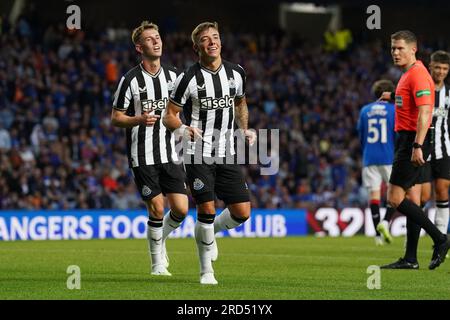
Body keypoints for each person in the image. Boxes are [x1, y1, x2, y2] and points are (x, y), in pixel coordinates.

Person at [163, 22, 256, 285]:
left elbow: (240, 103)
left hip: (226, 151)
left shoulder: (237, 73)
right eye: (205, 39)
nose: (212, 42)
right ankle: (206, 272)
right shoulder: (188, 78)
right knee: (206, 208)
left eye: (215, 37)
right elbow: (169, 116)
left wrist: (244, 130)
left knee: (242, 212)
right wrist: (182, 128)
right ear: (197, 47)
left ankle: (211, 232)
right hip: (197, 152)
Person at [111, 21, 188, 276]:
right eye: (149, 38)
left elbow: (180, 111)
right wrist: (138, 119)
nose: (156, 41)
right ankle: (157, 263)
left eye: (158, 37)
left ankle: (159, 237)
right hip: (142, 154)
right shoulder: (129, 80)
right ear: (139, 46)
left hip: (170, 152)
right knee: (156, 207)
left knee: (181, 209)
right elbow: (115, 117)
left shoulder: (174, 77)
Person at [377, 30, 449, 270]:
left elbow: (425, 112)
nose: (395, 53)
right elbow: (408, 99)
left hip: (412, 142)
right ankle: (410, 258)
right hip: (410, 140)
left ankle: (440, 239)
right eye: (393, 48)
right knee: (412, 199)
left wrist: (417, 146)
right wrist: (392, 95)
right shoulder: (409, 75)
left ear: (413, 49)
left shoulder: (418, 74)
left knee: (395, 199)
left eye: (400, 48)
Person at [357, 80, 396, 245]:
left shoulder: (365, 110)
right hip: (388, 157)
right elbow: (398, 134)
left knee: (374, 196)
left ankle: (377, 236)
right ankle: (385, 221)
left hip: (369, 158)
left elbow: (361, 134)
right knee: (396, 194)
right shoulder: (394, 110)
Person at [420, 51, 450, 235]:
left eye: (445, 68)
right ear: (430, 66)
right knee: (422, 197)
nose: (441, 72)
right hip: (421, 149)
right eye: (437, 67)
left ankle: (441, 239)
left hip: (443, 148)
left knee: (442, 190)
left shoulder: (449, 94)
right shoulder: (422, 89)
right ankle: (412, 239)